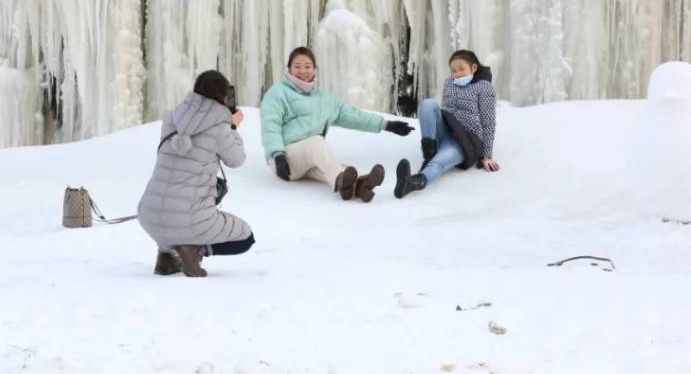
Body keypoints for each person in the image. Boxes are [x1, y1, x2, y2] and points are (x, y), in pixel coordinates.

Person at [137, 70, 253, 278]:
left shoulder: (172, 119)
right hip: (190, 220)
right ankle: (194, 251)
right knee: (245, 238)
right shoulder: (220, 127)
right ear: (224, 97)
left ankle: (166, 257)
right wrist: (232, 125)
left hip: (148, 215)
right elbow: (237, 160)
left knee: (175, 207)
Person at [260, 46, 414, 202]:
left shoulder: (325, 99)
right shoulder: (278, 93)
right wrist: (277, 154)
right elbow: (270, 124)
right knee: (317, 144)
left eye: (307, 66)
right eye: (297, 66)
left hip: (310, 159)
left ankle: (358, 185)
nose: (303, 71)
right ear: (289, 69)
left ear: (314, 69)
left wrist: (386, 125)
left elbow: (354, 115)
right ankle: (343, 179)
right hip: (284, 159)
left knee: (339, 168)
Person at [395, 49, 499, 198]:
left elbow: (488, 122)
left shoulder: (484, 87)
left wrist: (486, 155)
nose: (457, 74)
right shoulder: (449, 82)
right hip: (445, 130)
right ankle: (429, 152)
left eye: (461, 69)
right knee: (428, 104)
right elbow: (445, 110)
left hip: (464, 141)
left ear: (474, 67)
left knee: (440, 162)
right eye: (454, 70)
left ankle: (414, 181)